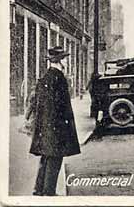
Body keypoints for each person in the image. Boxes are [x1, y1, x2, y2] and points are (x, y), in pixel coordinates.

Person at [30, 46, 81, 196]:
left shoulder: (45, 77)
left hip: (45, 125)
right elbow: (60, 105)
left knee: (46, 157)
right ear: (59, 61)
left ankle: (39, 189)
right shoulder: (59, 78)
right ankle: (49, 191)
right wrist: (63, 125)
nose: (67, 61)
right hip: (56, 125)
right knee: (55, 158)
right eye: (65, 58)